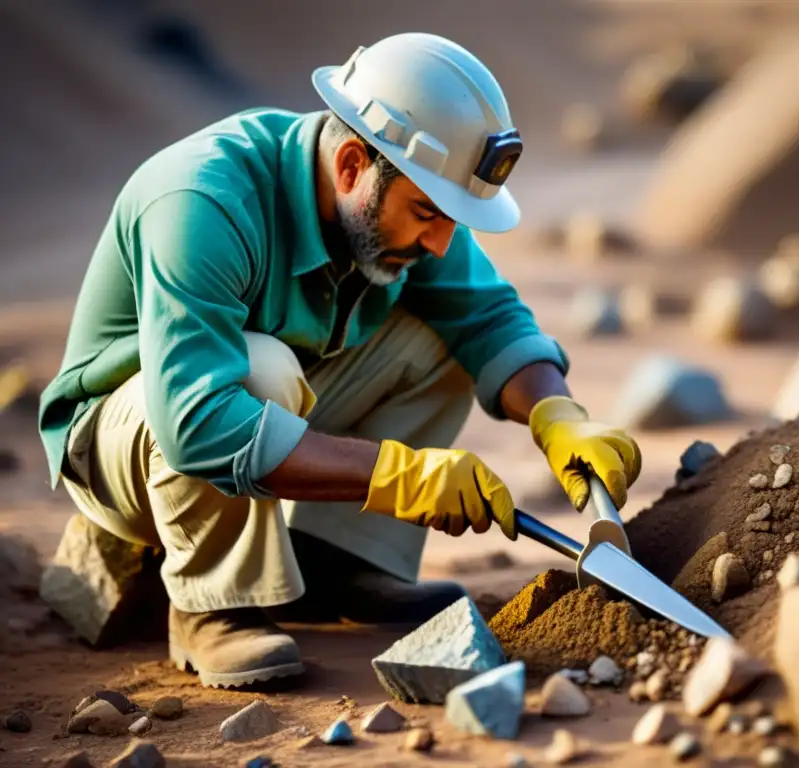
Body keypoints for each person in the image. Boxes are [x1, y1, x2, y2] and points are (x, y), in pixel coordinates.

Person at [37, 32, 641, 688]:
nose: (441, 242)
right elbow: (196, 421)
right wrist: (395, 475)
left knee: (441, 340)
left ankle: (332, 559)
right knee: (256, 367)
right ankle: (214, 604)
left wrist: (558, 413)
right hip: (123, 442)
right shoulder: (203, 202)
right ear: (353, 163)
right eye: (427, 213)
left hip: (250, 406)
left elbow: (490, 318)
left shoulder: (391, 202)